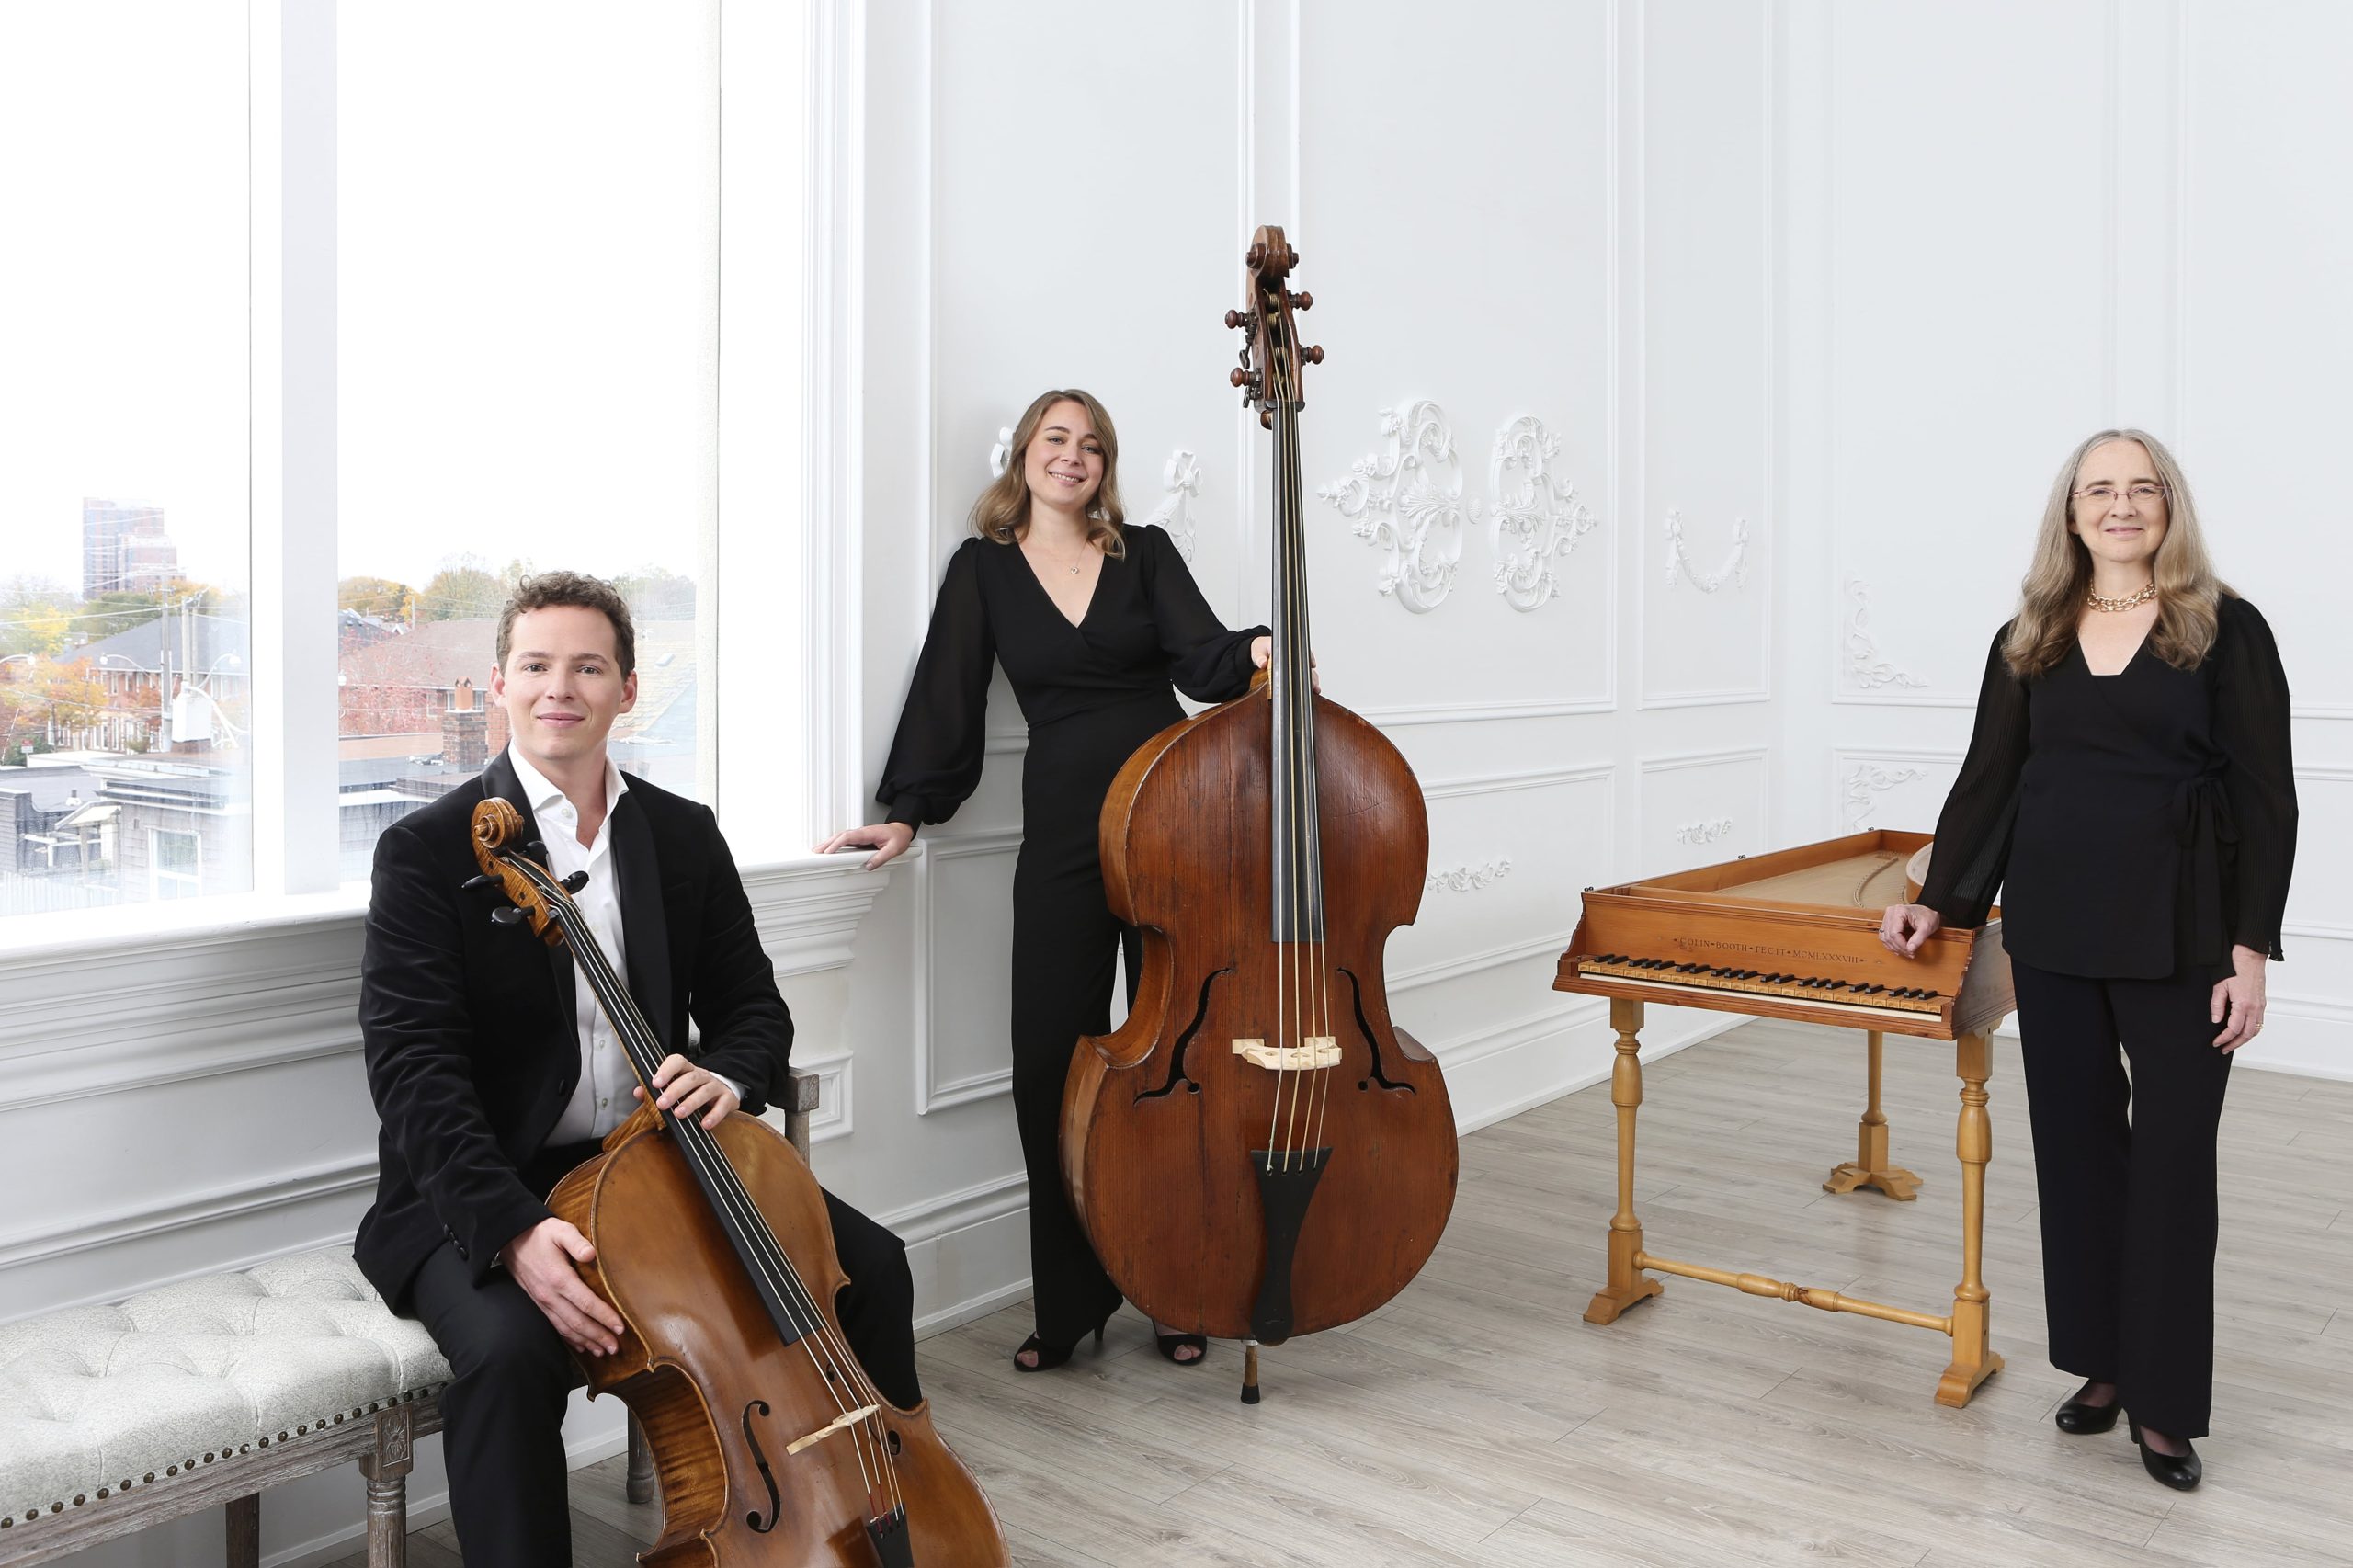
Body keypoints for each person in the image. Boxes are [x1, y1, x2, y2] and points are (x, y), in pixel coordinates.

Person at [356, 571, 919, 1566]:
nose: (558, 687)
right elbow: (413, 1073)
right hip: (488, 1183)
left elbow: (753, 1007)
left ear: (625, 689)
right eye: (535, 665)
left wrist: (731, 1077)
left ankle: (878, 1511)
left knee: (871, 1266)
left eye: (587, 666)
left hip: (651, 1165)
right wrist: (514, 1231)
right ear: (498, 682)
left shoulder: (680, 832)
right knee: (510, 1353)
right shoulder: (428, 849)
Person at [822, 388, 1272, 1373]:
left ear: (1107, 466)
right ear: (1023, 454)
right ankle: (1071, 1298)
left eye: (1093, 445)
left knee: (1177, 1064)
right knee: (1050, 1067)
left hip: (1175, 827)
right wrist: (906, 810)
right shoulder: (984, 570)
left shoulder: (1142, 552)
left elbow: (1203, 658)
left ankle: (1177, 1285)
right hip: (1065, 832)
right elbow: (946, 689)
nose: (1073, 456)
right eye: (1056, 439)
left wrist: (1259, 649)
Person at [1881, 429, 2295, 1492]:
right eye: (2098, 490)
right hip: (2055, 930)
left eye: (2140, 489)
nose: (2120, 506)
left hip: (2183, 933)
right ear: (2069, 514)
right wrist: (1943, 903)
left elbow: (2265, 798)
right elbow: (1990, 779)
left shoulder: (2224, 627)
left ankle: (2164, 1404)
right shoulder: (2028, 633)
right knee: (2075, 1155)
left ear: (2170, 506)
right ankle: (2105, 1367)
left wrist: (2247, 949)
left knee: (2169, 1167)